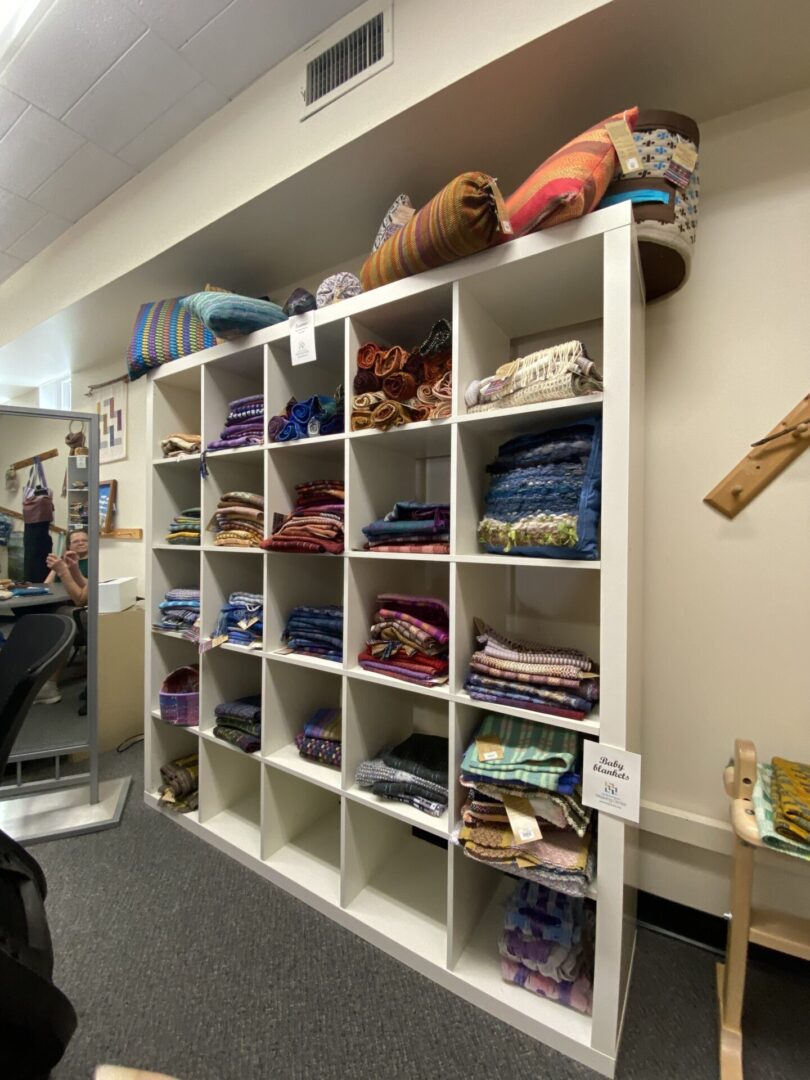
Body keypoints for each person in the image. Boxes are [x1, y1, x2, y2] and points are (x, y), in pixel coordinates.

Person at [35, 548, 89, 704]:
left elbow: (81, 598)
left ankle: (48, 686)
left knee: (58, 621)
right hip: (87, 611)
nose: (79, 544)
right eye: (75, 541)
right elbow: (88, 587)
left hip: (92, 616)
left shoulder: (97, 562)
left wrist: (63, 571)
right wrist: (72, 569)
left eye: (84, 540)